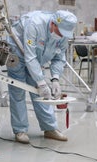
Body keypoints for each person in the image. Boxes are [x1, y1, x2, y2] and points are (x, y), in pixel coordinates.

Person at [6, 10, 77, 144]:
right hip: (17, 51)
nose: (61, 35)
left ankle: (50, 128)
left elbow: (59, 57)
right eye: (60, 32)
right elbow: (29, 56)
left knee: (42, 93)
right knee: (18, 90)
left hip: (35, 58)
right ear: (53, 23)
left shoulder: (63, 34)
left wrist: (55, 79)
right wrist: (41, 82)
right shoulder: (35, 24)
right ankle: (20, 130)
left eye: (64, 34)